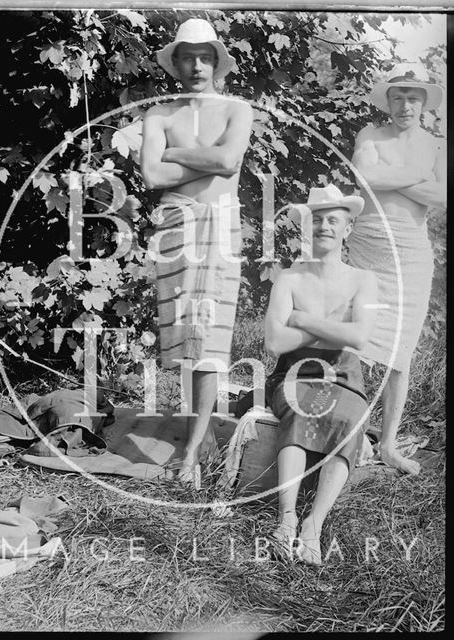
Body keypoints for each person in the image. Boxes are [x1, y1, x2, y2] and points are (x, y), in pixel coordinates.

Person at [140, 18, 253, 483]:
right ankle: (198, 427)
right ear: (176, 63)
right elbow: (151, 177)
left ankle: (192, 454)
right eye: (187, 56)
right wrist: (204, 161)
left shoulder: (237, 109)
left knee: (209, 331)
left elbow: (229, 162)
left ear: (217, 63)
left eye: (205, 57)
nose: (196, 65)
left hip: (218, 225)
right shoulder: (158, 115)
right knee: (184, 331)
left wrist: (175, 154)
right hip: (174, 226)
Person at [264, 184, 378, 565]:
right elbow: (275, 342)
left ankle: (314, 524)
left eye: (333, 220)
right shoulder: (290, 278)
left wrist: (301, 318)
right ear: (305, 228)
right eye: (316, 220)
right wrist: (331, 326)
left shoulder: (363, 279)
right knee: (301, 406)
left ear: (348, 229)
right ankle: (287, 518)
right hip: (293, 375)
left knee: (348, 417)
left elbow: (360, 336)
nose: (323, 226)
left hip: (343, 377)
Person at [347, 63, 446, 475]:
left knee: (398, 355)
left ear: (424, 103)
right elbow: (362, 177)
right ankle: (350, 435)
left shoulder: (435, 145)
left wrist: (388, 178)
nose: (406, 105)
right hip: (368, 247)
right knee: (354, 340)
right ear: (388, 101)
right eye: (398, 97)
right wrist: (414, 177)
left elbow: (441, 195)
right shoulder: (370, 135)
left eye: (414, 97)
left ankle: (387, 443)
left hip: (411, 253)